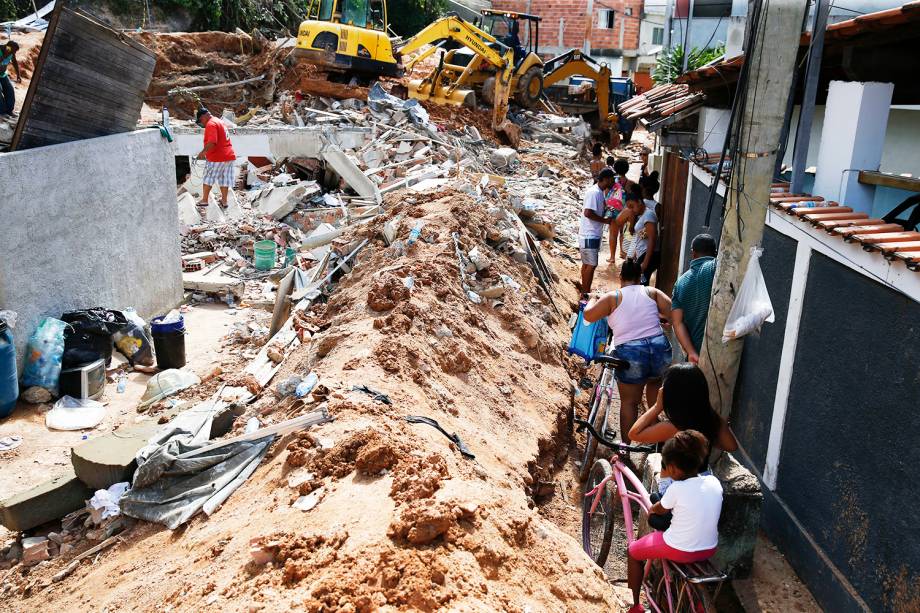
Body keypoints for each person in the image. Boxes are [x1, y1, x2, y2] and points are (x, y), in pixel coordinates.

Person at [625, 430, 723, 613]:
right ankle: (701, 605)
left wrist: (652, 510)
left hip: (678, 548)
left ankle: (635, 605)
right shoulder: (714, 482)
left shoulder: (677, 488)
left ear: (674, 469)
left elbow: (658, 509)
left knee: (632, 553)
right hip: (709, 548)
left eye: (665, 465)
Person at [583, 259, 673, 441]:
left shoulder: (612, 297)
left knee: (630, 402)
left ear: (621, 277)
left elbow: (588, 316)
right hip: (659, 348)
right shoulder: (652, 292)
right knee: (655, 387)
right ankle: (656, 437)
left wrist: (593, 299)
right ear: (641, 277)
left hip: (632, 353)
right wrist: (656, 316)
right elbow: (673, 312)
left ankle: (625, 449)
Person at [629, 363, 738, 481]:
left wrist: (657, 406)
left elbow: (634, 433)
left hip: (673, 487)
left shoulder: (672, 428)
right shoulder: (711, 419)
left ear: (671, 395)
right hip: (700, 482)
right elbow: (732, 446)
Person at [671, 234, 717, 363]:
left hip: (695, 356)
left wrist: (691, 352)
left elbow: (677, 322)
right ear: (716, 252)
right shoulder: (716, 268)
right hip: (721, 351)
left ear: (693, 253)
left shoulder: (680, 283)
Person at [579, 168, 617, 296]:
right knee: (591, 265)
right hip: (590, 234)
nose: (613, 181)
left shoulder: (599, 192)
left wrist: (606, 208)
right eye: (612, 179)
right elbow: (588, 212)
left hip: (589, 234)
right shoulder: (595, 193)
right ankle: (585, 294)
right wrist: (604, 220)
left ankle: (584, 291)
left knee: (587, 264)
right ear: (606, 179)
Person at [196, 107, 237, 208]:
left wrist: (203, 152)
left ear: (204, 116)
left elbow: (212, 142)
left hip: (217, 156)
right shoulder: (219, 121)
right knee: (225, 179)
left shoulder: (211, 124)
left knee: (208, 177)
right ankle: (224, 201)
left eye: (201, 120)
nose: (202, 123)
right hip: (229, 155)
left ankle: (204, 200)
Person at [625, 185, 658, 286]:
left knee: (639, 285)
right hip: (642, 254)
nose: (631, 210)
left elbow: (652, 239)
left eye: (632, 206)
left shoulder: (649, 215)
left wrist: (645, 262)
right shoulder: (643, 216)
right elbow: (643, 236)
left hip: (648, 255)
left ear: (639, 201)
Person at [0, 41, 21, 118]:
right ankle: (2, 112)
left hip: (2, 75)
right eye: (14, 51)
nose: (14, 53)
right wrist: (5, 55)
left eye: (15, 51)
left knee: (10, 90)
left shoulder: (11, 53)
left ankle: (9, 111)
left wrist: (18, 75)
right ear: (8, 47)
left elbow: (14, 62)